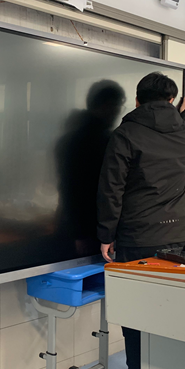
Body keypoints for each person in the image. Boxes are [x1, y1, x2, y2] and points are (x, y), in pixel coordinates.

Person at [97, 72, 185, 369]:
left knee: (137, 320)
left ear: (137, 100)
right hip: (179, 240)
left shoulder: (125, 134)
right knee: (173, 318)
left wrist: (106, 233)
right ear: (172, 100)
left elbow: (111, 188)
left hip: (138, 239)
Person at [55, 80, 126, 256]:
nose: (117, 112)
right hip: (88, 229)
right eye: (116, 106)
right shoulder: (93, 140)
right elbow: (73, 188)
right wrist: (80, 233)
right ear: (104, 106)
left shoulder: (78, 137)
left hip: (84, 226)